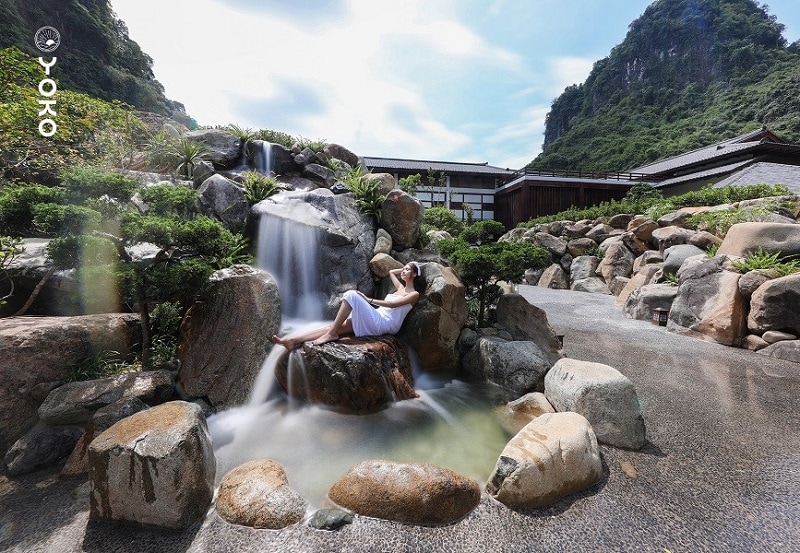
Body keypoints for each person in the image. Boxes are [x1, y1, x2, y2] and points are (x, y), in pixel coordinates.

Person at [271, 262, 422, 349]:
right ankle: (293, 341)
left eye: (408, 270)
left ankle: (331, 334)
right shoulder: (400, 288)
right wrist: (404, 267)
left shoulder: (413, 294)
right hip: (378, 317)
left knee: (351, 294)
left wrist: (368, 300)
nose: (403, 271)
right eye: (404, 268)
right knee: (335, 326)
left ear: (414, 275)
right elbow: (390, 272)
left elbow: (391, 304)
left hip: (386, 323)